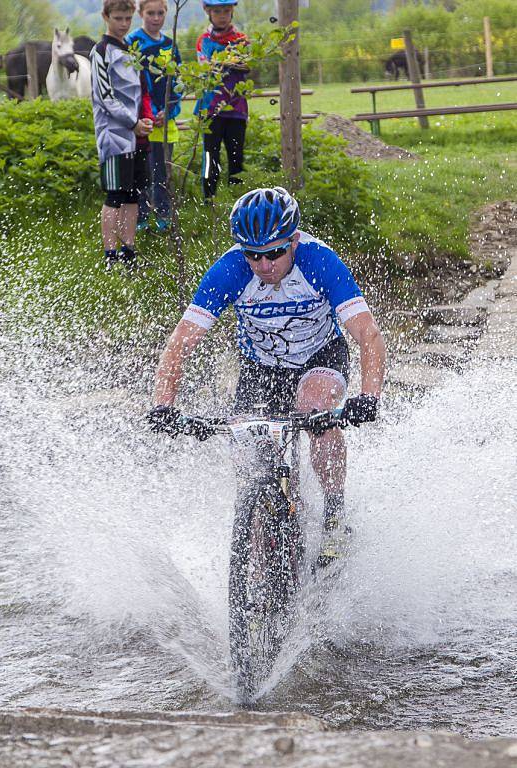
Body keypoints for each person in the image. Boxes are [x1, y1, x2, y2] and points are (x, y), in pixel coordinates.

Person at [148, 187, 386, 566]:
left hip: (319, 356)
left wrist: (368, 395)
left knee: (314, 411)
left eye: (275, 252)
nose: (264, 265)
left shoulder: (318, 261)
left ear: (293, 240)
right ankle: (262, 539)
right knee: (248, 453)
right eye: (254, 255)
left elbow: (367, 334)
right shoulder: (230, 270)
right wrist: (163, 404)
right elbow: (181, 342)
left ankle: (335, 513)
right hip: (261, 367)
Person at [90, 0, 153, 272]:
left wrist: (148, 117)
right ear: (106, 17)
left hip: (137, 134)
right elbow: (106, 98)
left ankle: (129, 252)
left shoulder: (130, 49)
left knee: (132, 196)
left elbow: (139, 90)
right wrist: (132, 123)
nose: (124, 24)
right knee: (114, 195)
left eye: (128, 18)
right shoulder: (101, 51)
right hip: (114, 136)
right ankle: (109, 255)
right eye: (118, 18)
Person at [127, 0, 182, 233]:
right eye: (151, 13)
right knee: (141, 170)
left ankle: (163, 215)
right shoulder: (132, 43)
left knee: (161, 169)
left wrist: (168, 110)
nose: (156, 18)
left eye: (160, 13)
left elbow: (179, 83)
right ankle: (139, 216)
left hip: (163, 119)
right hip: (140, 120)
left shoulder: (170, 45)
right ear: (141, 13)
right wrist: (140, 115)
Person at [194, 0, 248, 202]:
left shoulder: (241, 39)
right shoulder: (204, 40)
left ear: (232, 11)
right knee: (210, 156)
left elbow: (247, 65)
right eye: (217, 11)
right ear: (208, 11)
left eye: (226, 11)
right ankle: (209, 200)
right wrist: (231, 61)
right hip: (211, 109)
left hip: (236, 108)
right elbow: (207, 69)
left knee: (236, 157)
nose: (222, 15)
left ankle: (239, 200)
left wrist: (223, 62)